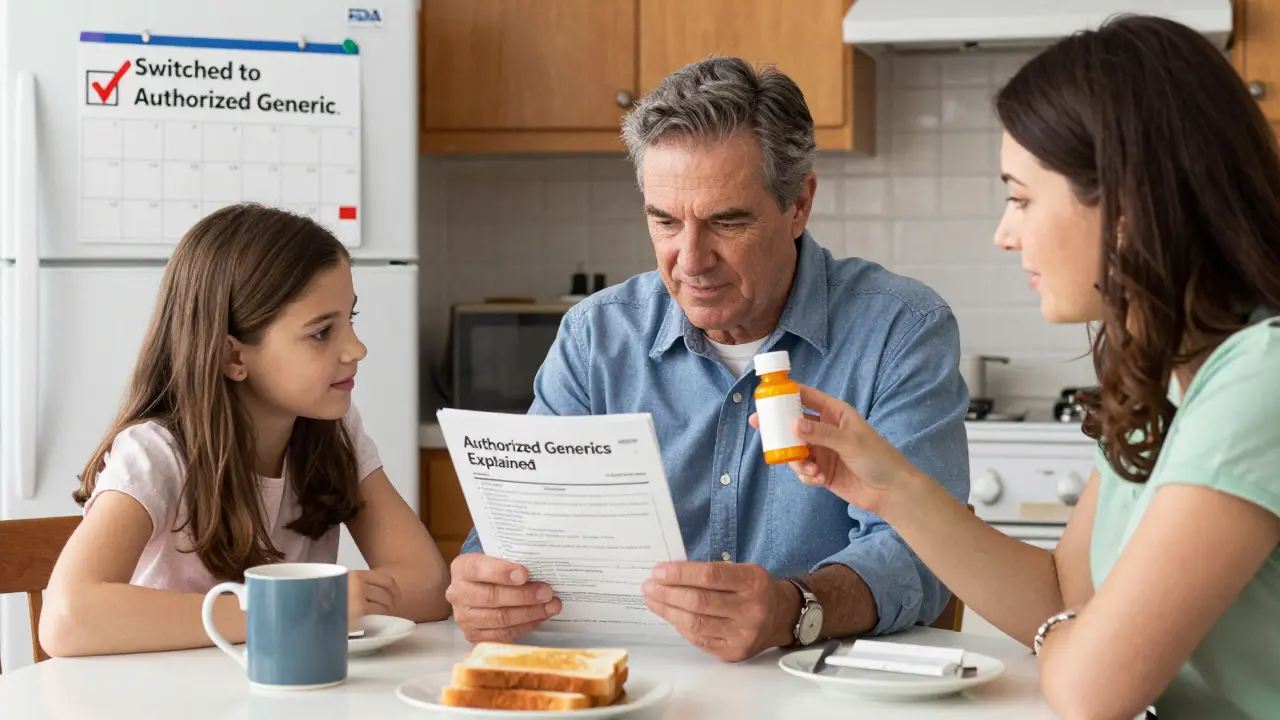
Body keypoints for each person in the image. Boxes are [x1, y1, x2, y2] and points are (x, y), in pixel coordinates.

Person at [763, 15, 1280, 720]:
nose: (1005, 234)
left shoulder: (1259, 380)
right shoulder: (1163, 376)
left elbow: (1095, 689)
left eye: (1021, 197)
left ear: (1126, 206)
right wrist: (889, 489)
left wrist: (1080, 640)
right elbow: (1064, 588)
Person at [445, 57, 970, 662]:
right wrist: (486, 582)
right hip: (638, 686)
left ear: (798, 204)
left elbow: (923, 557)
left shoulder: (900, 330)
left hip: (823, 690)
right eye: (664, 221)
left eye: (727, 221)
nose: (690, 260)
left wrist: (794, 608)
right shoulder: (597, 336)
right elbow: (520, 528)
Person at [41, 204, 452, 657]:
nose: (356, 348)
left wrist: (323, 606)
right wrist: (294, 609)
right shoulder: (156, 454)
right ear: (233, 357)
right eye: (321, 333)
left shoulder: (334, 434)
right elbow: (67, 619)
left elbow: (429, 588)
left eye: (350, 320)